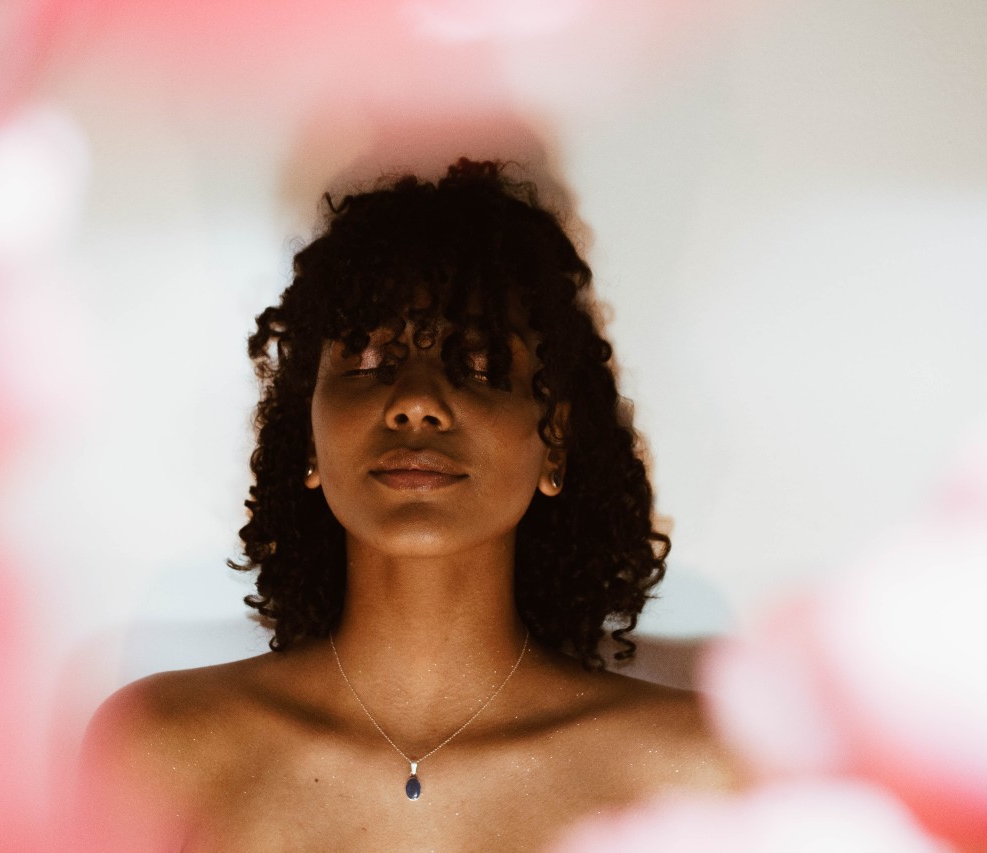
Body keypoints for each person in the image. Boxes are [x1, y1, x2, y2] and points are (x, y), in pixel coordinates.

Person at [81, 159, 741, 851]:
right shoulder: (159, 751)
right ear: (307, 435)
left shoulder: (695, 769)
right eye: (368, 362)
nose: (416, 403)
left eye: (480, 366)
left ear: (556, 445)